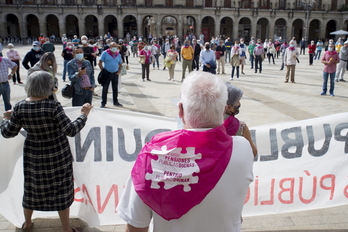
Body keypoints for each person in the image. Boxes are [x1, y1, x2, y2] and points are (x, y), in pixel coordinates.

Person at [117, 71, 254, 232]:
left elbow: (136, 226)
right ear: (224, 109)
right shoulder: (242, 149)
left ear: (180, 110)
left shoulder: (152, 156)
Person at [0, 71, 93, 232]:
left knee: (31, 187)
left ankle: (27, 223)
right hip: (57, 154)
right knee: (61, 189)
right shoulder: (53, 106)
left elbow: (8, 133)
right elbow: (70, 130)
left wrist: (4, 120)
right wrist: (83, 115)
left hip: (33, 155)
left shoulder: (20, 106)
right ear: (47, 87)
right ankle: (66, 228)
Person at [223, 83, 257, 156]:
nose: (239, 104)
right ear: (228, 107)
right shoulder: (241, 127)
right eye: (238, 101)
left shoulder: (205, 123)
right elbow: (253, 152)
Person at [98, 42, 123, 108]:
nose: (114, 48)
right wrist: (102, 70)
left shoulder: (118, 54)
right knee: (105, 88)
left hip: (115, 73)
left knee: (115, 88)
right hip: (107, 73)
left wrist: (119, 71)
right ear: (110, 47)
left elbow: (120, 64)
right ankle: (103, 103)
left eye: (116, 46)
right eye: (113, 46)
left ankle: (115, 101)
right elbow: (100, 62)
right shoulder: (105, 53)